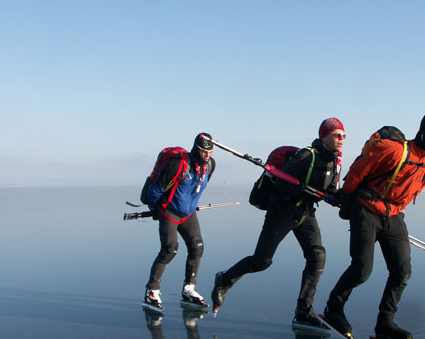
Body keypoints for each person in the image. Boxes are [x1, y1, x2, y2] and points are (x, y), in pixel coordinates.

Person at [322, 111, 425, 339]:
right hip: (367, 209)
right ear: (424, 130)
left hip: (393, 216)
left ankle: (385, 324)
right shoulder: (396, 150)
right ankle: (333, 309)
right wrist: (348, 200)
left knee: (402, 271)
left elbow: (412, 190)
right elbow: (360, 171)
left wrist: (394, 212)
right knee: (362, 270)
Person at [210, 118, 345, 325]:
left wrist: (342, 199)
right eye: (337, 135)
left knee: (317, 256)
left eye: (344, 136)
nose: (341, 139)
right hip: (282, 211)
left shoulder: (334, 161)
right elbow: (281, 183)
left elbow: (330, 190)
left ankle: (303, 311)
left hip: (306, 212)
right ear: (323, 137)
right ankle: (224, 280)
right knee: (262, 261)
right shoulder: (306, 156)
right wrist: (301, 189)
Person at [143, 133, 216, 313]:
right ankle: (152, 291)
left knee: (197, 246)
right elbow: (155, 190)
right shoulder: (178, 164)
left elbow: (196, 187)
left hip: (188, 214)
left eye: (210, 152)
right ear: (195, 149)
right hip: (169, 212)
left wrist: (189, 204)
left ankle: (188, 289)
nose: (207, 156)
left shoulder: (210, 165)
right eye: (203, 151)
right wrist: (156, 210)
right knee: (169, 250)